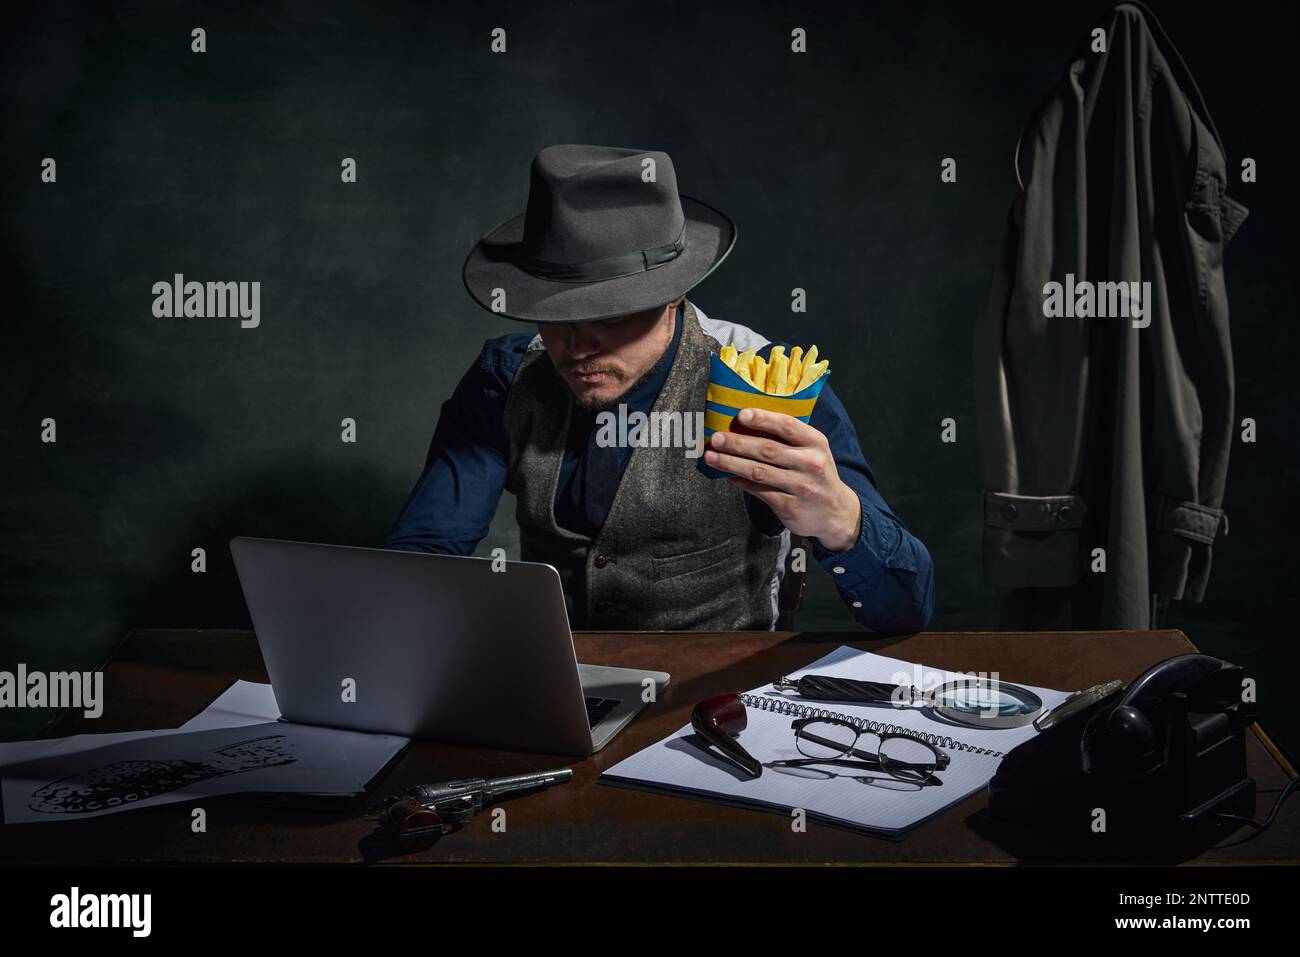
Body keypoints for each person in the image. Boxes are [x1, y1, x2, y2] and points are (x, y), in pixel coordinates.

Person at [385, 144, 934, 633]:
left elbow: (908, 611)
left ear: (673, 295)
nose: (579, 346)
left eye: (613, 314)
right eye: (556, 315)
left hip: (717, 698)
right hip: (560, 683)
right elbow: (427, 556)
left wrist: (842, 520)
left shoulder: (770, 382)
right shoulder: (505, 378)